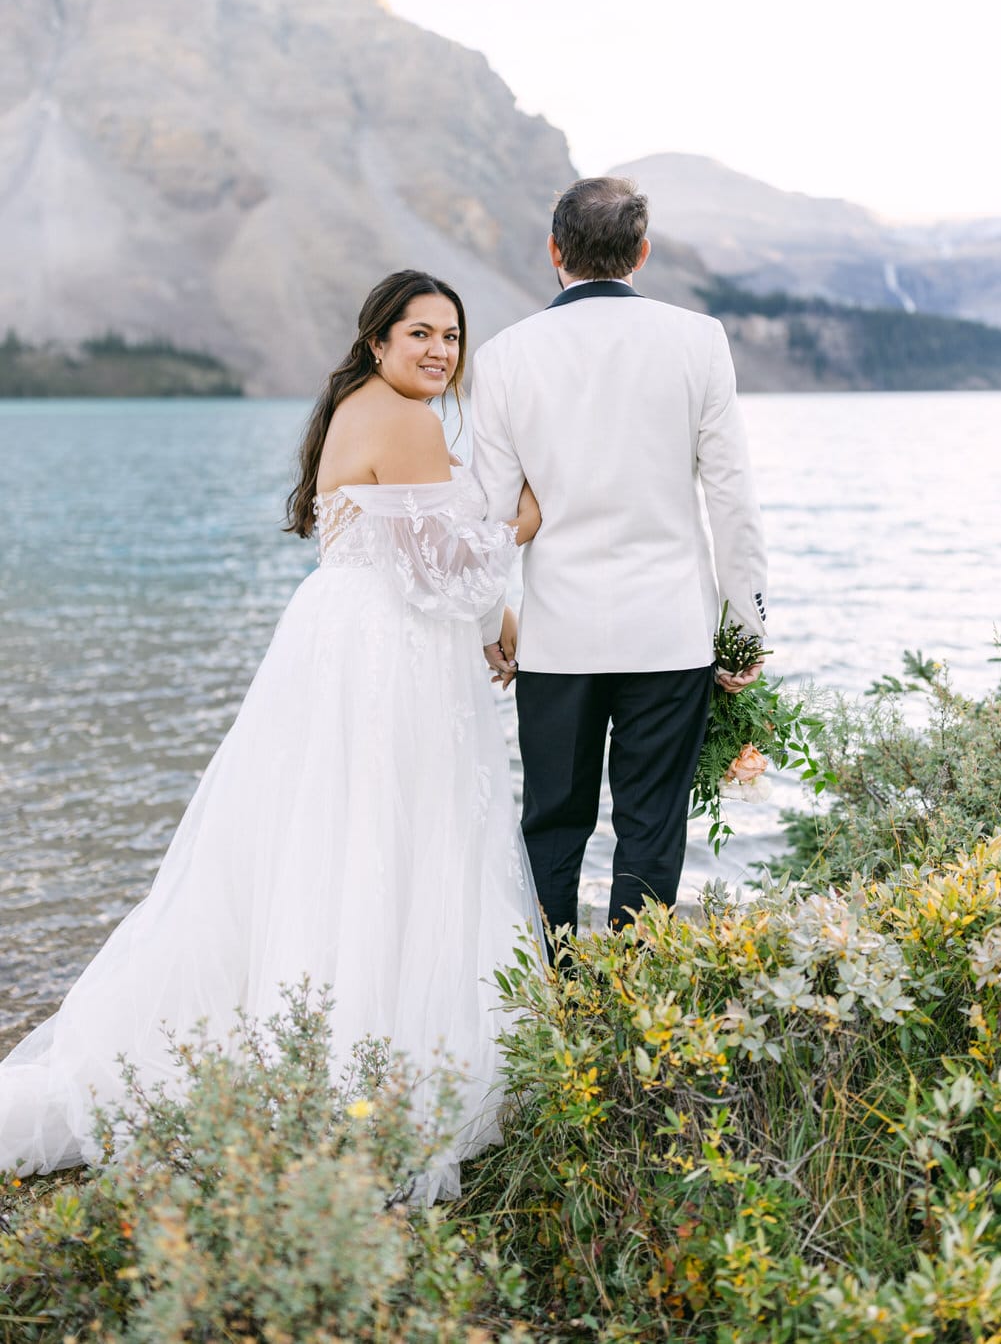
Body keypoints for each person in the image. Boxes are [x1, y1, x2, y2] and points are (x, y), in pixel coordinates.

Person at [0, 270, 543, 1202]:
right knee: (390, 833)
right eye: (420, 334)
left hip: (342, 643)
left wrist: (492, 620)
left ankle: (304, 1030)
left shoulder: (353, 409)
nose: (440, 352)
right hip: (385, 655)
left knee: (321, 838)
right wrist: (525, 520)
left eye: (452, 337)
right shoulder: (407, 418)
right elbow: (444, 572)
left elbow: (419, 560)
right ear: (377, 341)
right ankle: (367, 1059)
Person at [472, 177, 767, 955]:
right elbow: (731, 497)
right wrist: (744, 627)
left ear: (552, 250)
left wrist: (484, 625)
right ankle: (635, 1000)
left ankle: (552, 994)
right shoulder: (697, 339)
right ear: (641, 252)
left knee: (552, 822)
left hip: (557, 640)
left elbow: (489, 519)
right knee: (649, 827)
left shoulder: (503, 357)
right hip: (668, 636)